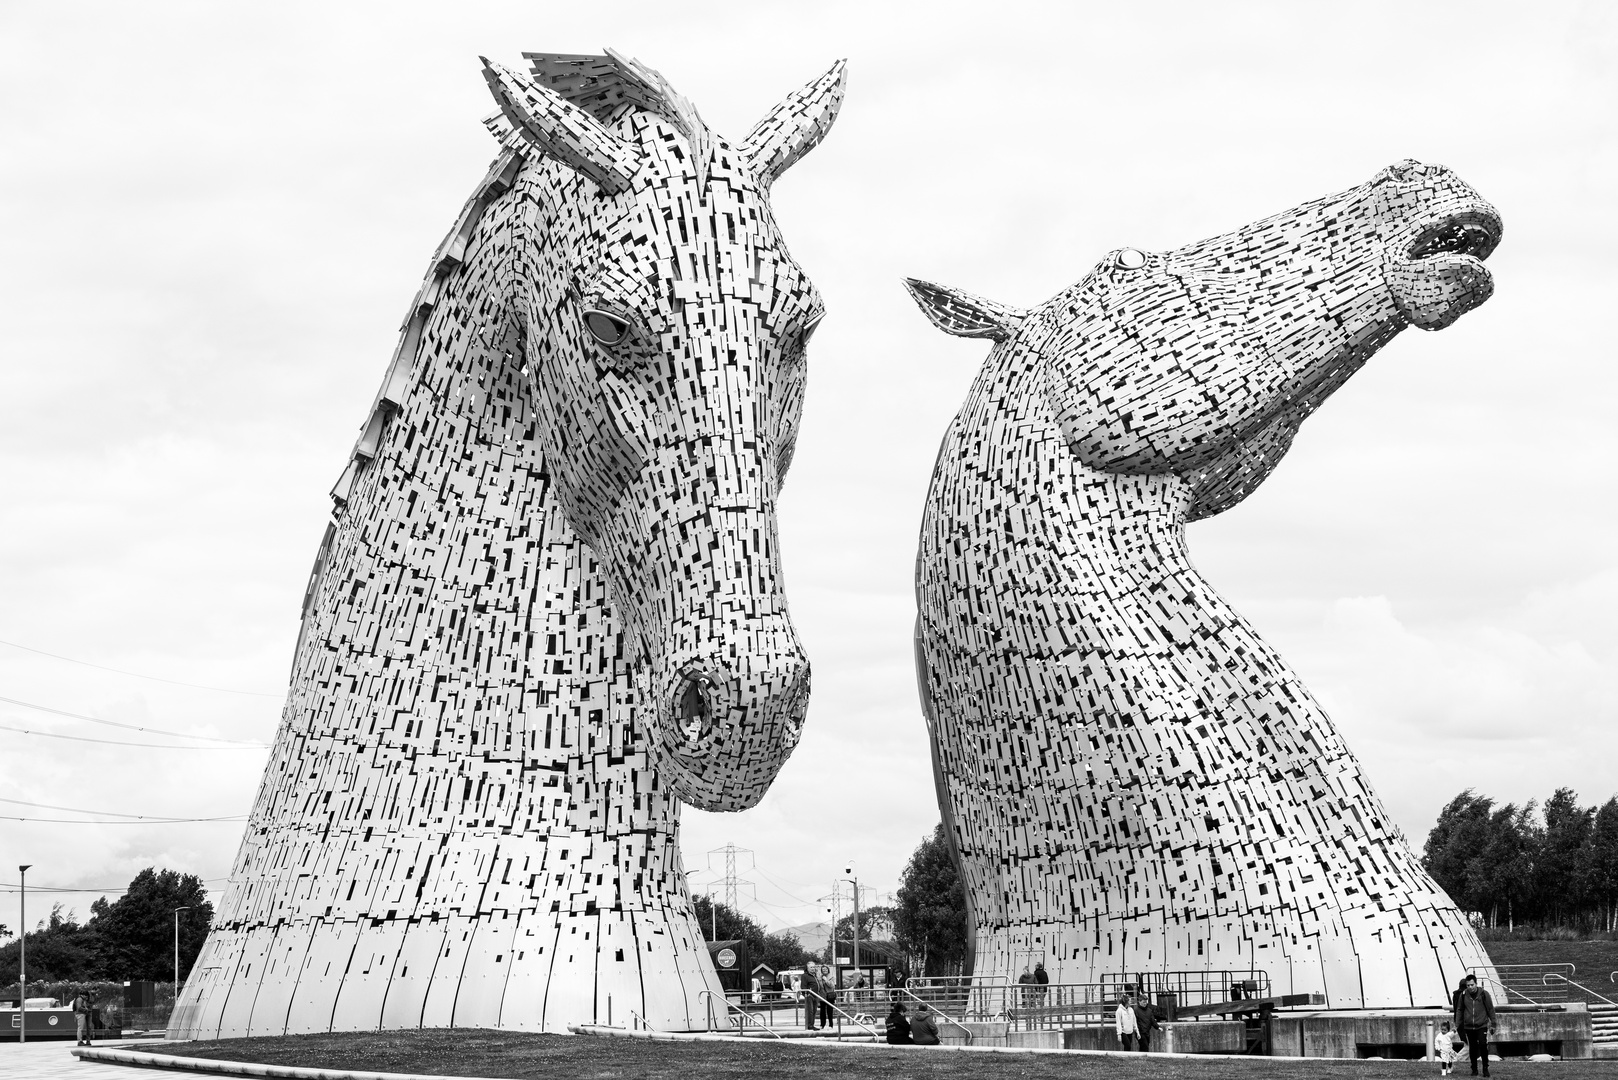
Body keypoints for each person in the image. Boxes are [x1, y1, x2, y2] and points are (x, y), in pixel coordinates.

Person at [1453, 974, 1496, 1077]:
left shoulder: (1484, 994)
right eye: (1468, 985)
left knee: (1482, 1045)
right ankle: (1474, 1069)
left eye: (1472, 985)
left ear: (1476, 984)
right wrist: (1457, 1024)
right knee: (1472, 1048)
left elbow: (1490, 1009)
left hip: (1481, 1025)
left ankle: (1485, 1068)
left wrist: (1493, 1024)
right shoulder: (1463, 995)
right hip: (1469, 1026)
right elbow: (1459, 1010)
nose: (1470, 987)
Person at [819, 964, 837, 1029]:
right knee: (822, 1011)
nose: (824, 970)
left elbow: (832, 986)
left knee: (830, 1011)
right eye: (823, 969)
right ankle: (822, 1024)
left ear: (828, 970)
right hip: (822, 996)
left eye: (826, 969)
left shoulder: (831, 977)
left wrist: (826, 980)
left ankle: (830, 1025)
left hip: (830, 995)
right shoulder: (820, 977)